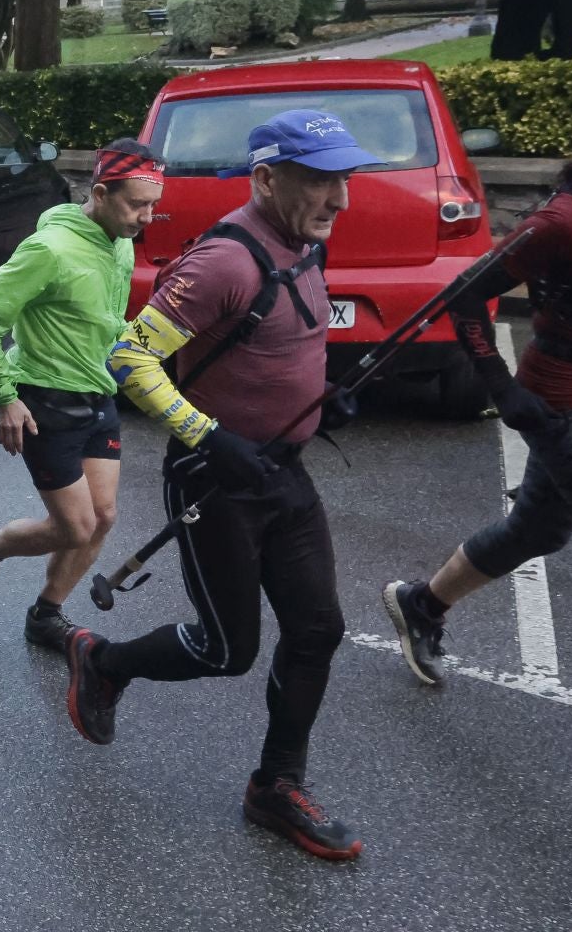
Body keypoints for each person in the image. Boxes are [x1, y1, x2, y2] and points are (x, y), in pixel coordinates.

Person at [76, 109, 379, 863]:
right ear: (267, 179)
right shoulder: (222, 263)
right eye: (319, 181)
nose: (338, 199)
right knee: (226, 650)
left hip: (283, 472)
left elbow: (288, 339)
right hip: (214, 476)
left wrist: (326, 391)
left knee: (318, 630)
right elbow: (131, 359)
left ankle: (276, 787)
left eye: (342, 179)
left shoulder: (305, 242)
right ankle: (104, 663)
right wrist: (207, 434)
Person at [384, 82, 572, 684]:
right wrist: (503, 388)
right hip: (566, 398)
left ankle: (421, 604)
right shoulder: (568, 219)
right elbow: (465, 297)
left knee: (538, 528)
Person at [0, 140, 166, 649]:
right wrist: (4, 397)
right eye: (137, 204)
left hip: (97, 397)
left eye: (154, 204)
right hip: (45, 403)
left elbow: (105, 320)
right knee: (75, 526)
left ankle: (46, 614)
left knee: (103, 517)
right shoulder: (49, 250)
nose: (147, 217)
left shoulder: (119, 240)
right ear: (100, 193)